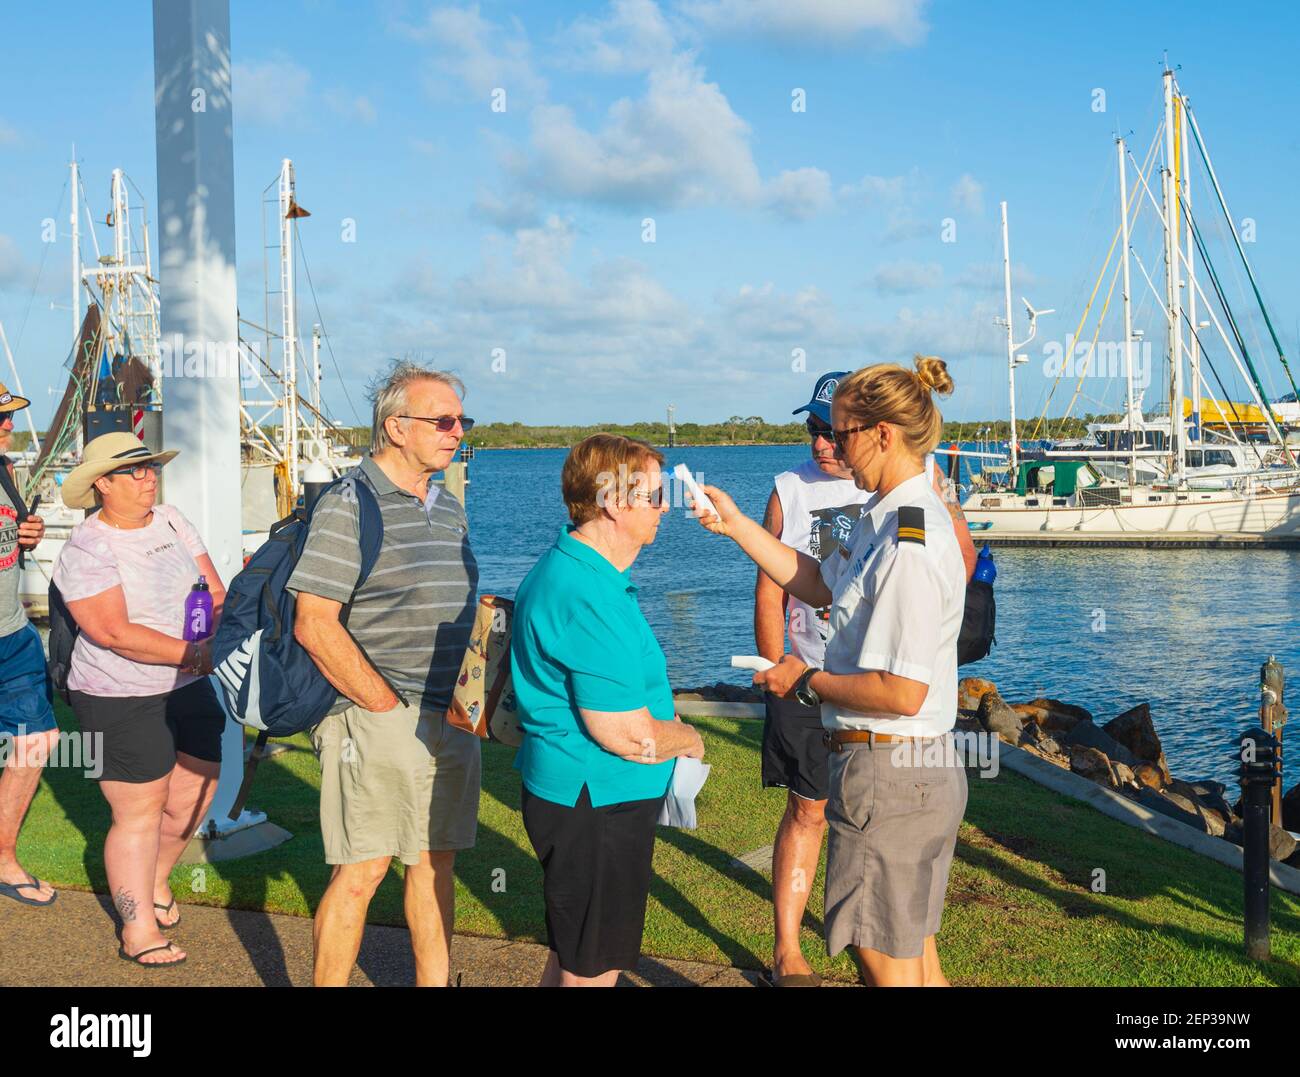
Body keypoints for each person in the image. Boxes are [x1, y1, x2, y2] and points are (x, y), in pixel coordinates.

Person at [692, 356, 969, 987]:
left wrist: (806, 679)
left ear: (881, 433)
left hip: (889, 773)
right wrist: (736, 524)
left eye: (841, 433)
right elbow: (818, 582)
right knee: (915, 954)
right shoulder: (889, 517)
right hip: (912, 771)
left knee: (884, 958)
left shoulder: (906, 539)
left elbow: (901, 692)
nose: (833, 450)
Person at [290, 361, 479, 988]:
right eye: (443, 420)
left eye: (461, 420)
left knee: (433, 863)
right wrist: (381, 706)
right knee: (363, 869)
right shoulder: (351, 503)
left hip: (448, 713)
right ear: (396, 427)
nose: (457, 431)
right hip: (378, 717)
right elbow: (314, 622)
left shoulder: (446, 503)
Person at [511, 434, 705, 987]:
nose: (665, 507)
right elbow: (626, 734)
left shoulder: (580, 572)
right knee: (593, 969)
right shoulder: (587, 593)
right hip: (595, 801)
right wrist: (688, 739)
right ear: (615, 503)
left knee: (576, 955)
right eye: (653, 496)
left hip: (584, 796)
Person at [52, 432, 227, 967]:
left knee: (193, 797)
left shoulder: (173, 519)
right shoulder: (88, 548)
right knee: (139, 813)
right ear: (101, 484)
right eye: (133, 471)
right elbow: (112, 633)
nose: (148, 477)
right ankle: (137, 928)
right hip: (117, 694)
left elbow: (213, 592)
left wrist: (207, 641)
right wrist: (194, 656)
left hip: (187, 682)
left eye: (150, 467)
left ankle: (155, 879)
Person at [0, 383, 57, 909]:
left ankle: (4, 858)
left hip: (14, 634)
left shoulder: (5, 470)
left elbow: (10, 545)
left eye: (8, 417)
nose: (8, 426)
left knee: (37, 741)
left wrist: (28, 535)